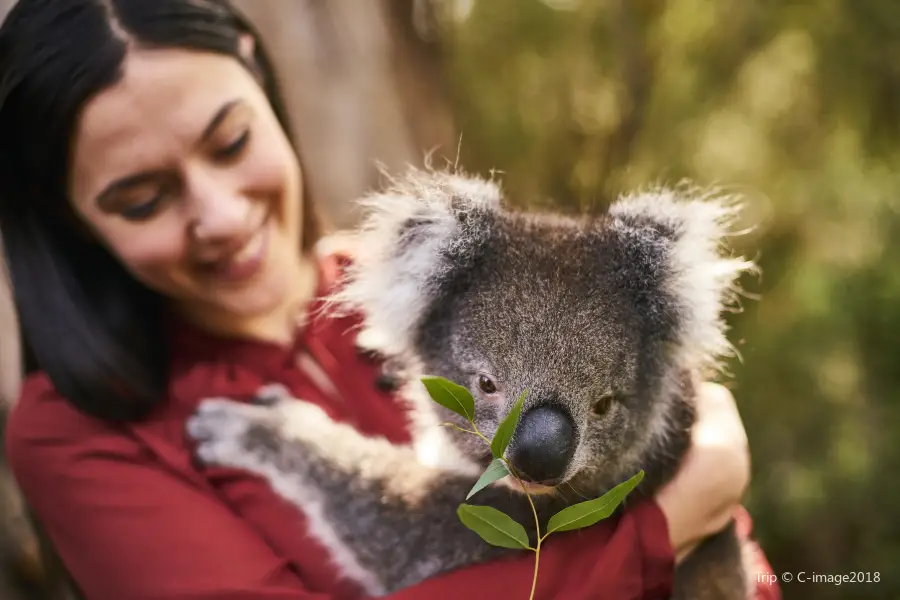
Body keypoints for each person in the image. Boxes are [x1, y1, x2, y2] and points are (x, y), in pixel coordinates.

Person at [0, 1, 780, 599]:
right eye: (142, 198)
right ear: (68, 217)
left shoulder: (385, 281)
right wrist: (667, 527)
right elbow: (424, 527)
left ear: (261, 76)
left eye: (231, 142)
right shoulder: (74, 429)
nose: (222, 216)